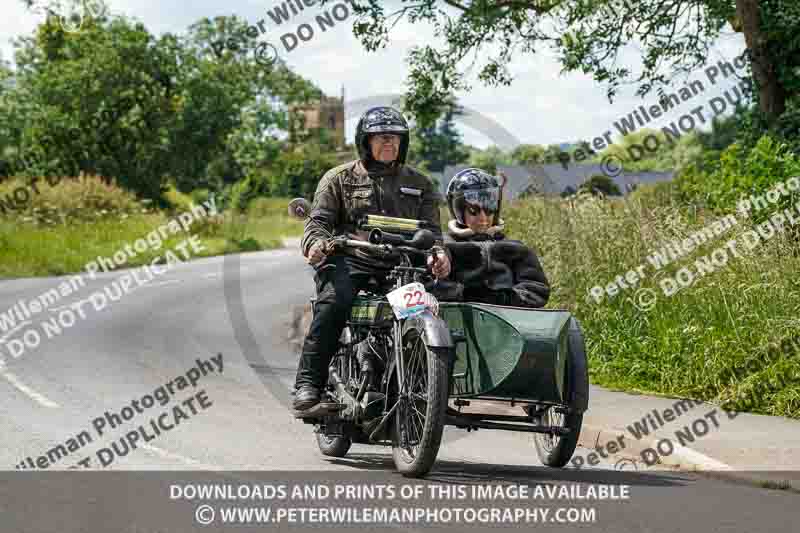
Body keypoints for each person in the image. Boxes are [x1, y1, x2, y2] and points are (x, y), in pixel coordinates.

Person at [294, 106, 451, 412]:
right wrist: (315, 244)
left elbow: (433, 233)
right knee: (333, 302)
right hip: (351, 261)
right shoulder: (338, 179)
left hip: (402, 265)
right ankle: (308, 384)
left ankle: (433, 388)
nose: (388, 143)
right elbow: (318, 223)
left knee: (436, 307)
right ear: (365, 142)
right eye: (380, 137)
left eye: (394, 137)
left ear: (402, 142)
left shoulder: (420, 184)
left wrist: (439, 255)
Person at [433, 167, 550, 308]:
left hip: (510, 319)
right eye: (473, 210)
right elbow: (431, 285)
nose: (483, 218)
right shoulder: (442, 247)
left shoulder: (516, 248)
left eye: (489, 209)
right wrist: (463, 295)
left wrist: (506, 299)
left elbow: (537, 288)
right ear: (458, 210)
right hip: (459, 320)